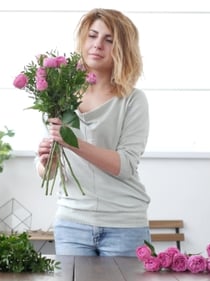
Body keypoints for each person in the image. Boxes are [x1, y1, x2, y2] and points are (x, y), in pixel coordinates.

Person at [35, 8, 150, 257]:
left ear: (122, 49)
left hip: (125, 224)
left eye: (109, 40)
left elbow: (126, 164)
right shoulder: (58, 95)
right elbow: (50, 172)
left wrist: (73, 143)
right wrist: (47, 162)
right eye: (93, 36)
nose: (97, 45)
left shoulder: (133, 100)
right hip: (72, 223)